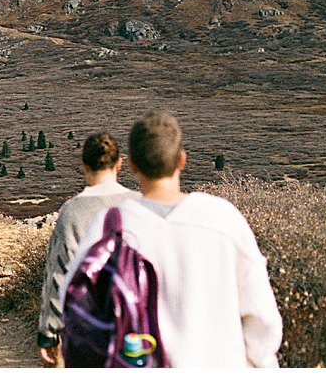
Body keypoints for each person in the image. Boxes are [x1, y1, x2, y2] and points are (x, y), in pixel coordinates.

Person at [61, 111, 282, 367]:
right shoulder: (224, 220)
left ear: (131, 165)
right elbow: (262, 319)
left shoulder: (108, 225)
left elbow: (75, 304)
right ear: (182, 160)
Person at [37, 132, 139, 366]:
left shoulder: (72, 212)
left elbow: (58, 275)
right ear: (119, 164)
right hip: (135, 322)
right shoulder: (139, 203)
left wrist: (49, 332)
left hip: (87, 326)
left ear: (84, 165)